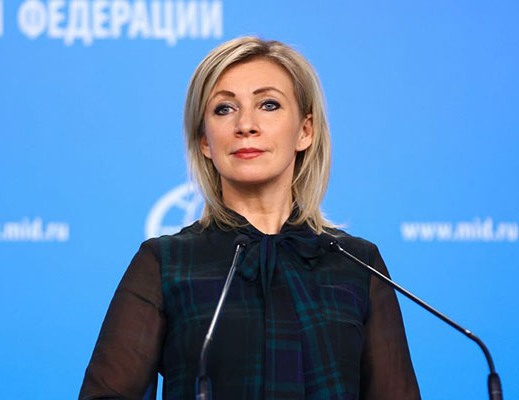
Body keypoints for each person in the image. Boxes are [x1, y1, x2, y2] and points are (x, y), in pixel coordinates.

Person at [78, 36, 420, 399]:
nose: (245, 125)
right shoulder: (164, 263)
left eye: (268, 105)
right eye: (224, 109)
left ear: (305, 131)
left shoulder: (358, 264)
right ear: (205, 141)